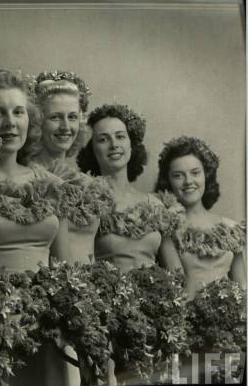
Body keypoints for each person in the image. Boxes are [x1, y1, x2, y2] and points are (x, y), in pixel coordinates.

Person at [0, 68, 71, 386]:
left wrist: (64, 316)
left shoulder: (51, 183)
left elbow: (64, 265)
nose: (10, 122)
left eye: (18, 112)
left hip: (52, 322)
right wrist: (8, 313)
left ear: (30, 120)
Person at [77, 103, 183, 274]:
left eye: (120, 136)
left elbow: (177, 273)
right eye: (103, 139)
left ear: (131, 144)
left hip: (154, 299)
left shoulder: (155, 205)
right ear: (92, 150)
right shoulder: (87, 201)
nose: (114, 145)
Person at [31, 70, 113, 266]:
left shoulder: (91, 186)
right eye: (56, 117)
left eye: (72, 117)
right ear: (37, 121)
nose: (66, 126)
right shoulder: (27, 179)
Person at [155, 136, 246, 299]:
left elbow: (243, 287)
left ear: (206, 175)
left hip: (229, 320)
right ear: (168, 181)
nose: (188, 181)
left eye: (195, 173)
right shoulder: (166, 228)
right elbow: (175, 286)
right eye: (178, 175)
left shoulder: (231, 228)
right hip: (186, 318)